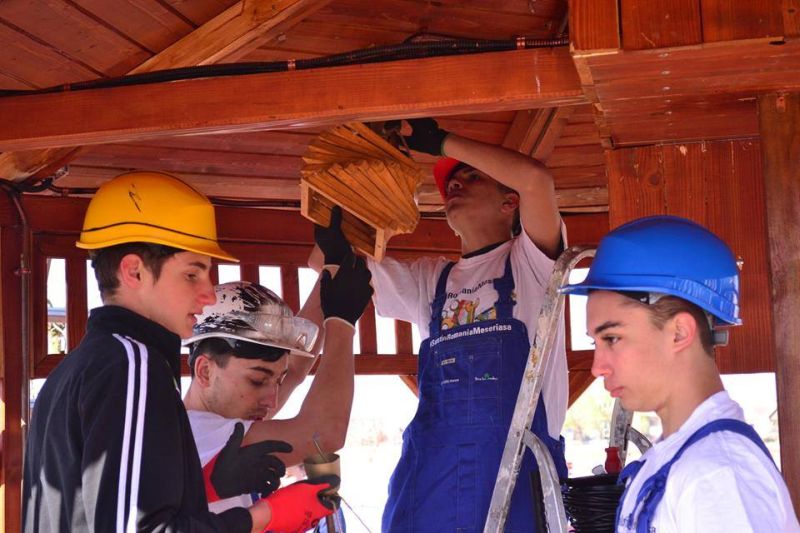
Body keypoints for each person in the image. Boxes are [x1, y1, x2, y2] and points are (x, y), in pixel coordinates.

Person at [22, 170, 335, 532]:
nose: (208, 293)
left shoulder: (75, 371)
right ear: (134, 272)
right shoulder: (132, 366)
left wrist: (206, 486)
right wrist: (263, 516)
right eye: (192, 274)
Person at [314, 118, 569, 532]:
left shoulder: (533, 265)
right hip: (432, 477)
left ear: (510, 201)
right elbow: (326, 265)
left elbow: (537, 181)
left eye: (471, 176)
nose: (455, 183)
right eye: (451, 182)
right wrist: (344, 197)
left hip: (517, 472)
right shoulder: (430, 280)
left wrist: (442, 142)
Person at [560, 215, 800, 532]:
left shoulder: (716, 475)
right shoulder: (676, 460)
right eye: (596, 342)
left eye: (612, 338)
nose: (597, 367)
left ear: (679, 333)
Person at [183, 252, 372, 517]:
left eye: (277, 380)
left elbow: (294, 369)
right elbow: (323, 434)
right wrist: (342, 323)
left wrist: (331, 270)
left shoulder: (215, 422)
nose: (272, 400)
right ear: (205, 371)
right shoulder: (199, 433)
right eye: (257, 381)